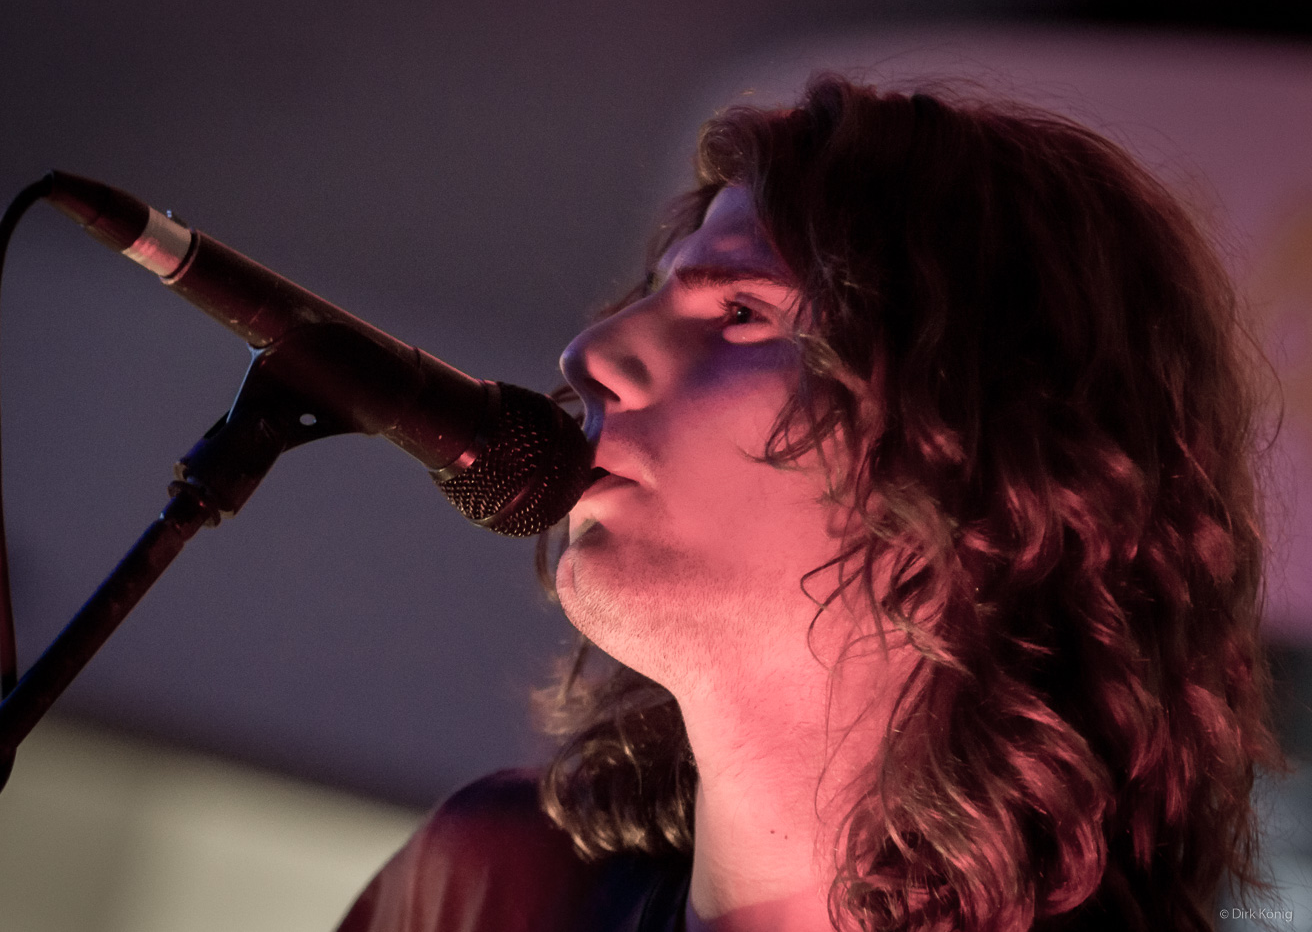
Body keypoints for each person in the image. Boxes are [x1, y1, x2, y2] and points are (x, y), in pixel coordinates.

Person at [337, 75, 1283, 932]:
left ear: (985, 457)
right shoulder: (496, 886)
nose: (591, 353)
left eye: (742, 315)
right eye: (656, 295)